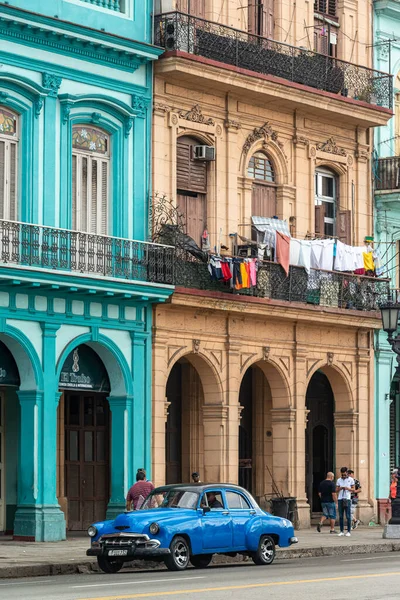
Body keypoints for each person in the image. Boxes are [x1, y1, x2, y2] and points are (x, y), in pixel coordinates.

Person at [336, 467, 355, 537]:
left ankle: (348, 531)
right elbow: (336, 490)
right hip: (340, 498)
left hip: (347, 498)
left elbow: (353, 489)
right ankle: (341, 531)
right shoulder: (339, 480)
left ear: (347, 473)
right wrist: (340, 488)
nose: (343, 476)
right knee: (341, 515)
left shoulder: (351, 480)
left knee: (348, 515)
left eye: (344, 474)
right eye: (342, 475)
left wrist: (348, 489)